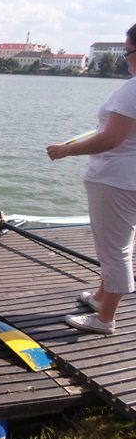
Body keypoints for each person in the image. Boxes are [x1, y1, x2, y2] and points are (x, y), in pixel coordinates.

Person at [46, 23, 136, 334]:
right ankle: (101, 298)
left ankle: (105, 319)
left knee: (114, 251)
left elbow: (111, 139)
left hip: (117, 180)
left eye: (128, 52)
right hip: (127, 179)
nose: (125, 58)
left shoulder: (133, 89)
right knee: (118, 244)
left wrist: (66, 151)